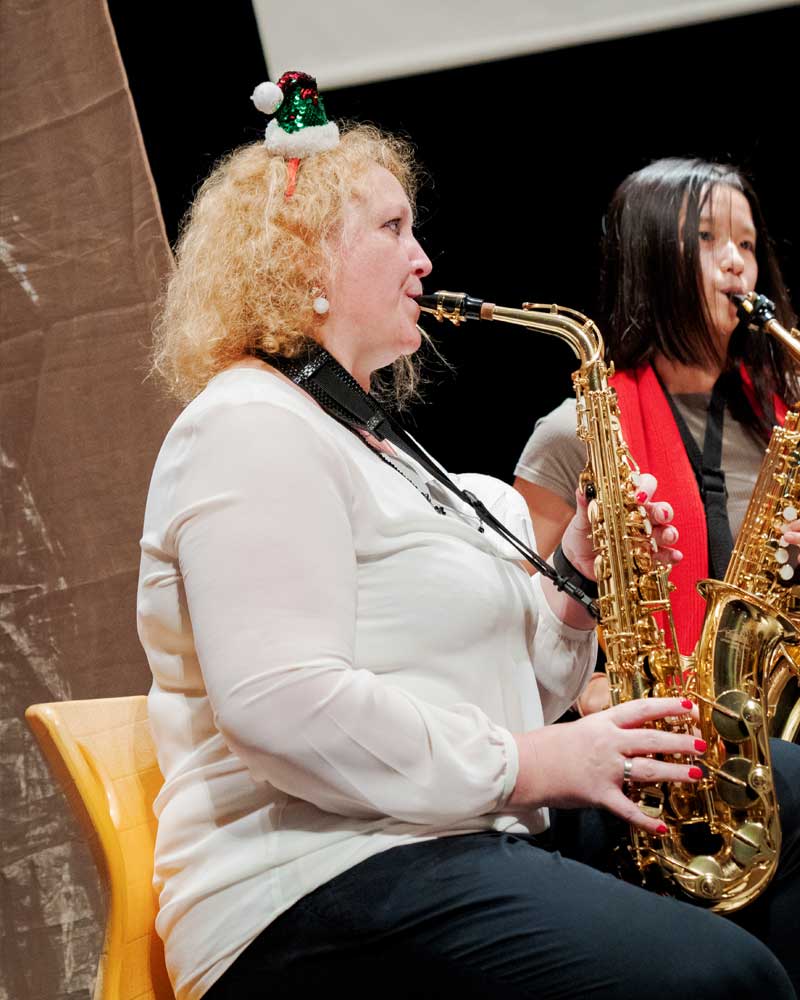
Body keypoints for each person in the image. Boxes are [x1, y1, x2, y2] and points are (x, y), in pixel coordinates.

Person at [137, 77, 800, 1000]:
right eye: (393, 229)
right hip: (312, 883)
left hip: (459, 829)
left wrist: (576, 576)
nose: (423, 258)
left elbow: (514, 689)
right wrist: (532, 763)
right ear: (302, 265)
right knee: (723, 979)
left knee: (784, 791)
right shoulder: (247, 427)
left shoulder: (379, 446)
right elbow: (281, 706)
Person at [514, 157, 800, 712]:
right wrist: (592, 693)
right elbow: (516, 620)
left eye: (746, 244)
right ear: (649, 257)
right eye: (707, 238)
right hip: (654, 749)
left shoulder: (784, 417)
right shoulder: (576, 432)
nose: (737, 263)